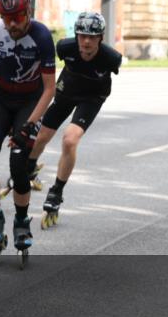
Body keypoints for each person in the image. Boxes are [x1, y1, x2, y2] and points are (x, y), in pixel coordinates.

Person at [0, 0, 56, 267]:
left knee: (19, 166)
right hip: (0, 99)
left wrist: (29, 126)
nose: (11, 24)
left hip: (29, 103)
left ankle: (21, 220)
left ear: (28, 12)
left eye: (17, 17)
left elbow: (49, 89)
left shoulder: (43, 37)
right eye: (6, 17)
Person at [26, 12, 122, 228]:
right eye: (82, 36)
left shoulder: (111, 58)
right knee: (41, 136)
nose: (86, 42)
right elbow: (44, 71)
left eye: (92, 37)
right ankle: (28, 168)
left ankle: (57, 191)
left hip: (91, 98)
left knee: (70, 140)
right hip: (66, 91)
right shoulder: (64, 48)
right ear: (76, 35)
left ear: (101, 38)